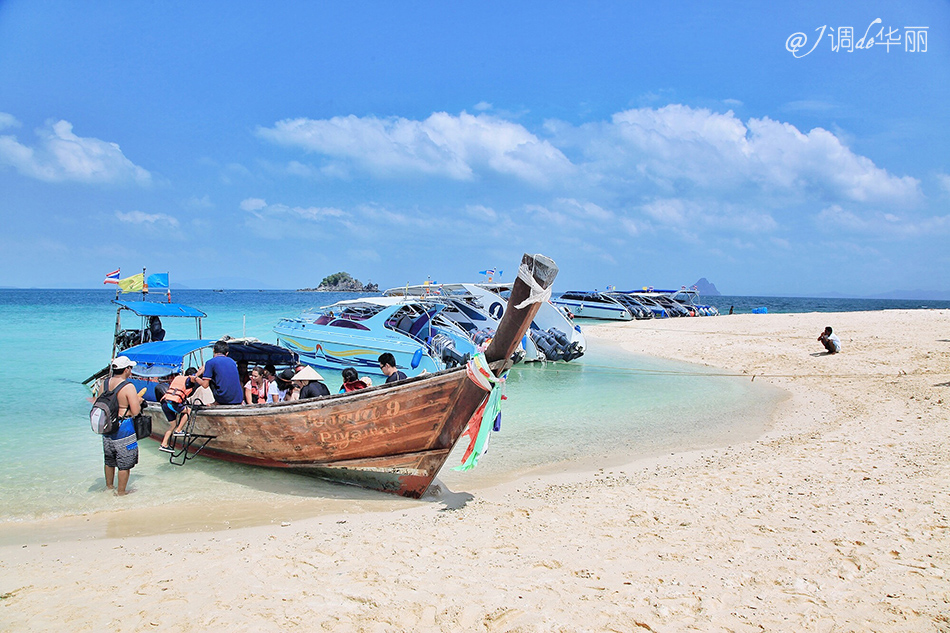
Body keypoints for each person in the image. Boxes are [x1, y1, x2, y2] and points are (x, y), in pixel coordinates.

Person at [103, 356, 142, 495]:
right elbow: (135, 411)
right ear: (126, 370)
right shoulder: (128, 387)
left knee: (109, 460)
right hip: (123, 428)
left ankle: (108, 487)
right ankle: (121, 492)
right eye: (130, 368)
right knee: (124, 463)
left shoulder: (105, 383)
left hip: (107, 427)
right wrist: (139, 400)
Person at [159, 367, 198, 452]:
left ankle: (163, 444)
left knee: (172, 425)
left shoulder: (178, 378)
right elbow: (192, 379)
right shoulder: (188, 380)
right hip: (172, 404)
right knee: (189, 410)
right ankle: (179, 430)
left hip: (165, 403)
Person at [192, 340, 243, 405]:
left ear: (213, 350)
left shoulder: (210, 362)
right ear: (227, 353)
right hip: (238, 399)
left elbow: (205, 385)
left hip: (223, 399)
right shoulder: (232, 361)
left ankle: (217, 402)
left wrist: (195, 378)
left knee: (209, 378)